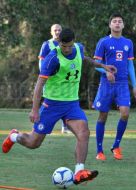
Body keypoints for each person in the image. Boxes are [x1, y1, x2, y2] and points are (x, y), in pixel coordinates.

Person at [2, 28, 117, 185]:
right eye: (64, 46)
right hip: (52, 104)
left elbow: (84, 58)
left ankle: (79, 172)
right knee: (33, 143)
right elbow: (39, 84)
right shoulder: (52, 58)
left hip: (72, 104)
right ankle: (14, 136)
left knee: (83, 132)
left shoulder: (79, 48)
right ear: (59, 43)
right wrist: (35, 110)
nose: (67, 49)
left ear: (74, 42)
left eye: (70, 46)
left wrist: (102, 66)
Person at [93, 13, 136, 161]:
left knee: (125, 113)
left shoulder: (128, 43)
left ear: (123, 25)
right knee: (103, 116)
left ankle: (116, 146)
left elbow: (130, 65)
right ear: (110, 25)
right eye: (114, 21)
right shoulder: (103, 42)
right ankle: (99, 150)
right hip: (106, 85)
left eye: (120, 21)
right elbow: (96, 64)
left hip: (122, 84)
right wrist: (106, 71)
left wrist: (135, 86)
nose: (117, 23)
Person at [38, 24, 69, 134]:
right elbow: (41, 61)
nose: (57, 32)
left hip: (64, 80)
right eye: (55, 30)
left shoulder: (66, 44)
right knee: (49, 101)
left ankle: (65, 127)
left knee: (65, 100)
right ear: (51, 32)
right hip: (51, 80)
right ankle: (40, 123)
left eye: (59, 30)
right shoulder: (47, 44)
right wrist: (44, 75)